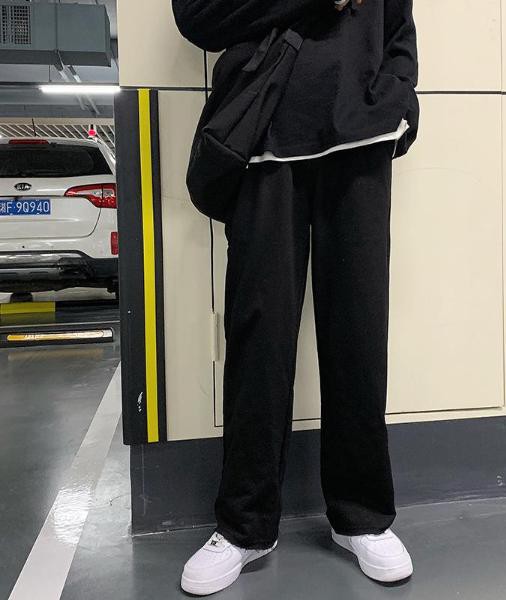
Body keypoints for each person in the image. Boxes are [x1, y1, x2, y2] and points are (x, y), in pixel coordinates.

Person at [172, 0, 420, 594]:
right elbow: (198, 17)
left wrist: (400, 101)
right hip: (263, 137)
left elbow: (399, 31)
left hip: (360, 139)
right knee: (259, 335)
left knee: (359, 333)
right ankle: (244, 526)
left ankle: (363, 516)